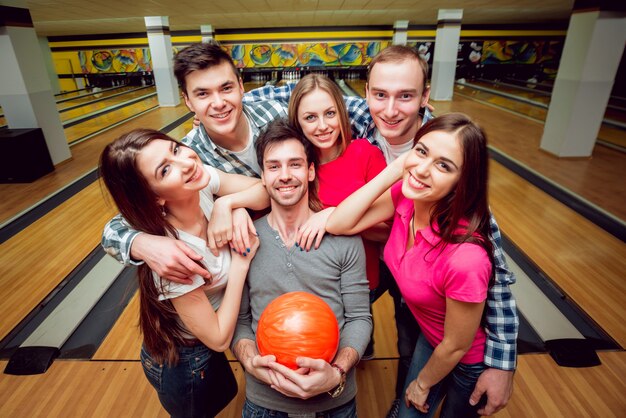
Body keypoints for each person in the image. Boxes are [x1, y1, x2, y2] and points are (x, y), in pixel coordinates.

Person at [244, 45, 518, 417]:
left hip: (421, 285)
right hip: (388, 270)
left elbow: (495, 277)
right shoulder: (359, 120)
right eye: (379, 94)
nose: (389, 109)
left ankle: (405, 395)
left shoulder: (440, 170)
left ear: (425, 98)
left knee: (410, 348)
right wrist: (224, 106)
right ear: (366, 93)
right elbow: (297, 94)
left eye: (405, 96)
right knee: (396, 336)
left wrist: (503, 360)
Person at [327, 113, 494, 417]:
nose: (424, 169)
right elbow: (340, 222)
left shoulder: (465, 258)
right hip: (431, 340)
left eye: (444, 165)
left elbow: (457, 345)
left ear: (462, 181)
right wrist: (398, 169)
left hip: (465, 361)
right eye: (421, 151)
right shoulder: (406, 200)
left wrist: (423, 383)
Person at [99, 128, 268, 417]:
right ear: (154, 198)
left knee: (226, 393)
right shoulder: (174, 257)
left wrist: (231, 205)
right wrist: (240, 263)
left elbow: (263, 187)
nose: (186, 162)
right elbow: (217, 338)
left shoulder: (199, 185)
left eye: (175, 150)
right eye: (165, 170)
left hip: (205, 341)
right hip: (184, 358)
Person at [101, 42, 287, 282]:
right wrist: (140, 243)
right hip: (254, 253)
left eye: (226, 88)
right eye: (202, 93)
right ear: (188, 101)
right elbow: (115, 228)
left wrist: (229, 204)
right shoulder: (190, 155)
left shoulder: (276, 114)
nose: (218, 103)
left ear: (241, 87)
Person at [231, 119, 372, 417]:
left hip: (335, 401)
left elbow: (360, 317)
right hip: (264, 402)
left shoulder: (344, 240)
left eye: (295, 164)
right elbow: (240, 321)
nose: (285, 176)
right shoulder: (245, 238)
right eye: (274, 166)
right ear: (263, 176)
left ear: (310, 171)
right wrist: (249, 361)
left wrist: (337, 371)